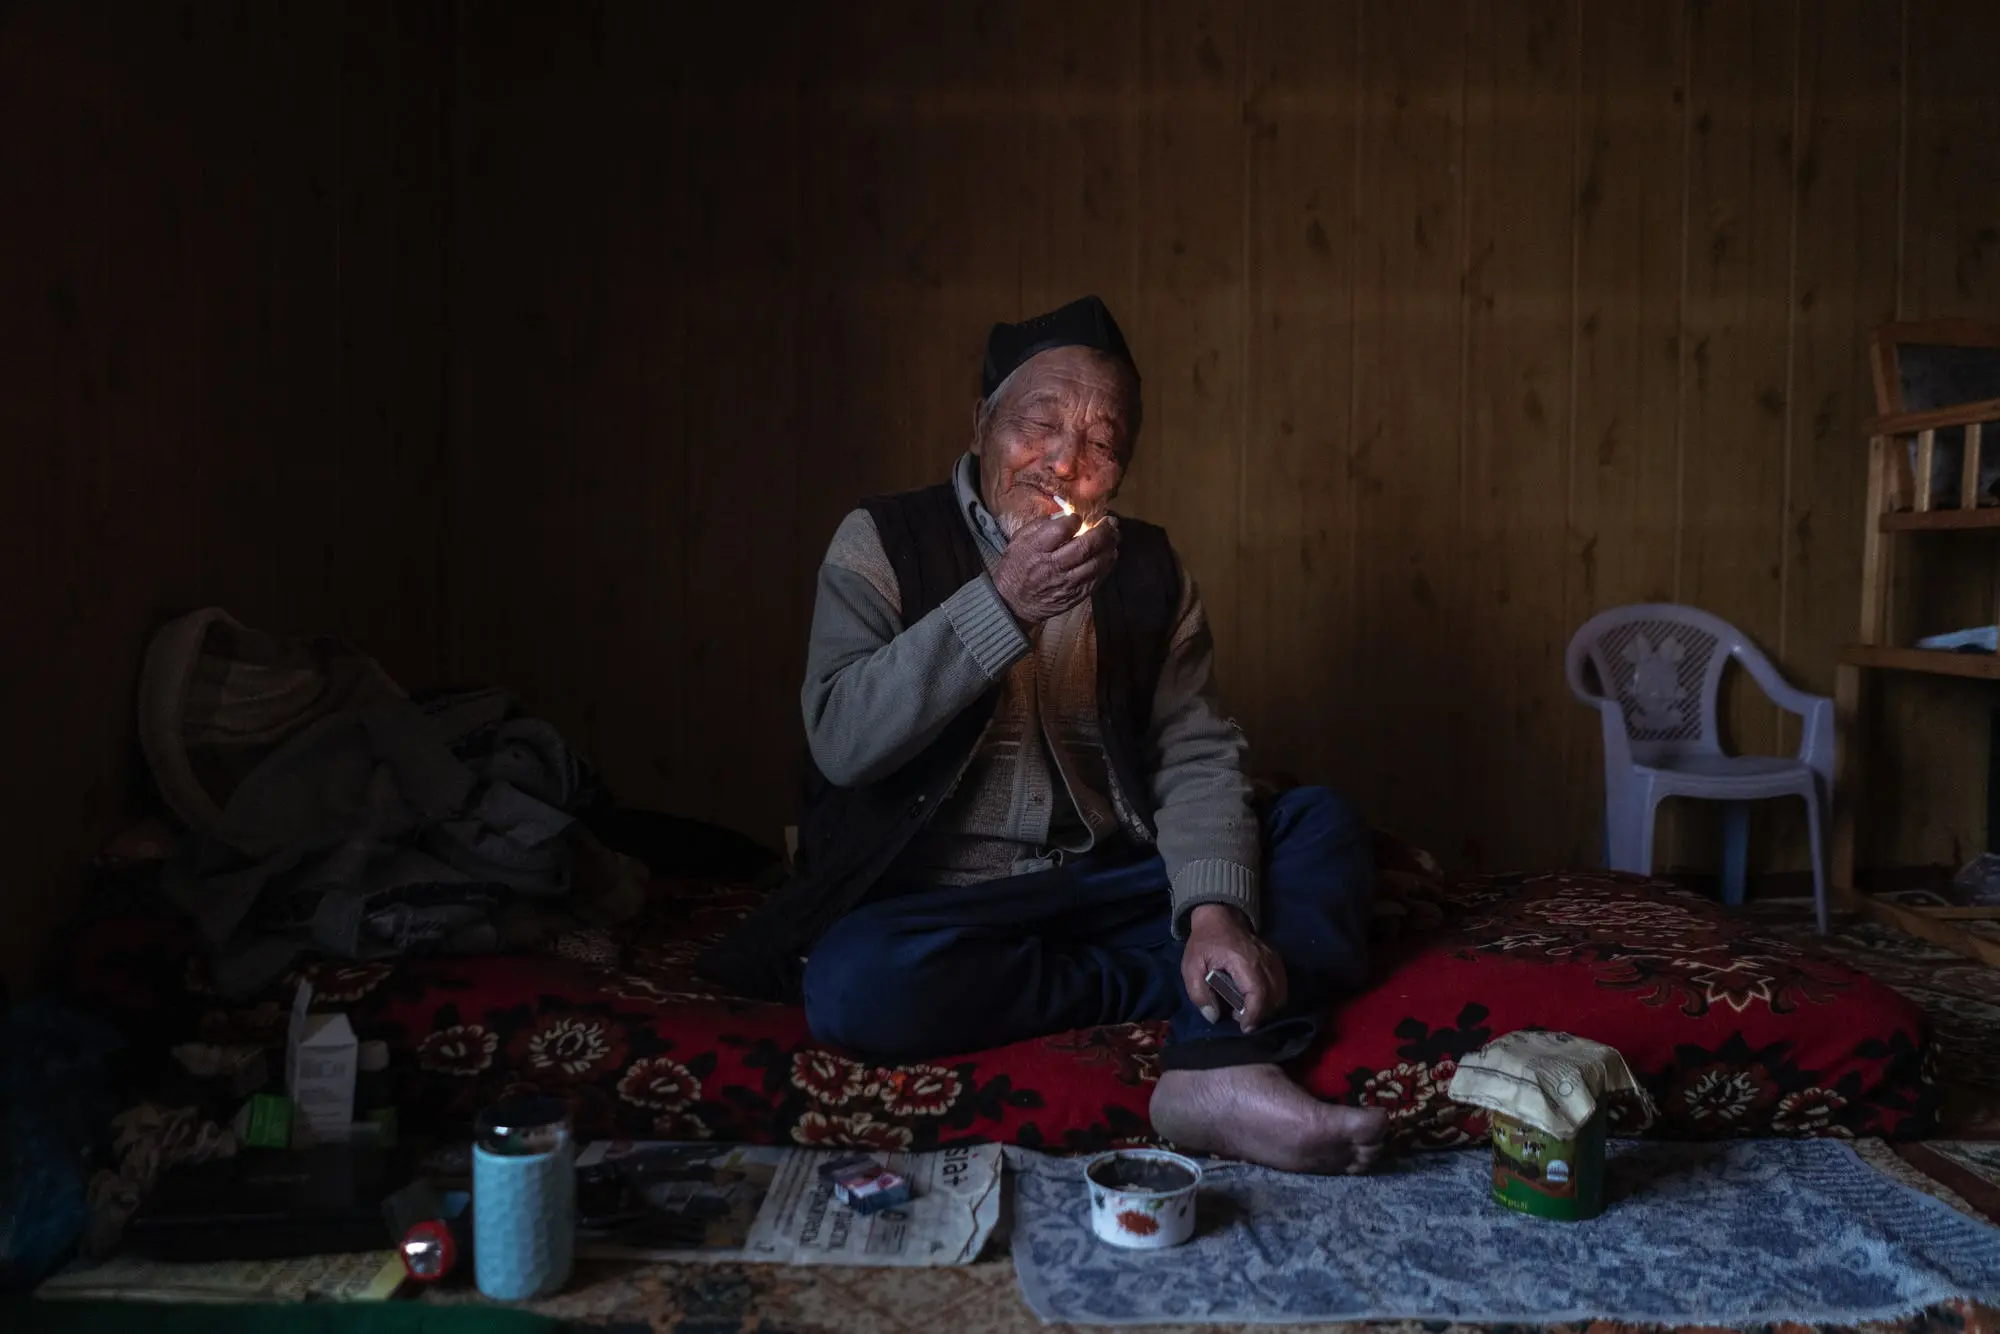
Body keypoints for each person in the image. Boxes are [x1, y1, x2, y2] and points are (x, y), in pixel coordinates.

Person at [700, 296, 1387, 1173]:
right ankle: (1189, 988)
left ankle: (1212, 1067)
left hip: (1105, 880)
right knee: (853, 984)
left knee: (1321, 826)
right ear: (981, 423)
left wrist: (1213, 911)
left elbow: (1196, 754)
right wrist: (1005, 603)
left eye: (1103, 443)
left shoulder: (1149, 568)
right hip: (937, 903)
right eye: (1040, 425)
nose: (1067, 460)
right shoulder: (882, 539)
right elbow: (842, 738)